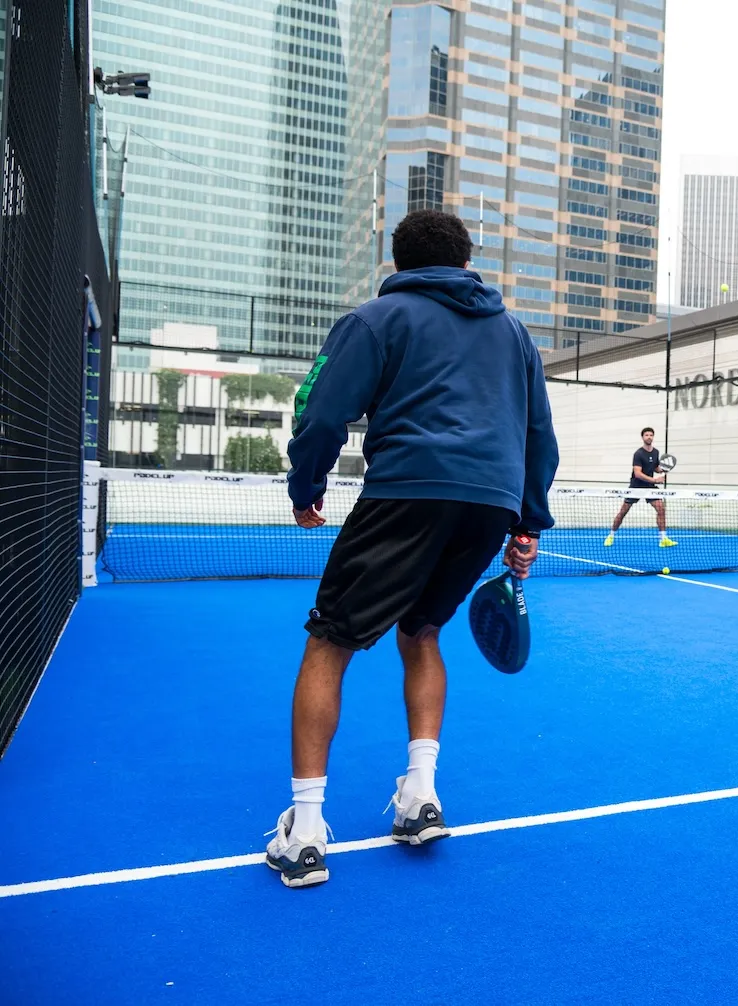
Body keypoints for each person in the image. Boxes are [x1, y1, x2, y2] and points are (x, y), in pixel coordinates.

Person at [264, 209, 560, 888]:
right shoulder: (515, 333)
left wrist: (305, 488)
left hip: (406, 493)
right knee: (422, 631)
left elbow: (320, 411)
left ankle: (304, 834)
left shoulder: (376, 319)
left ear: (398, 262)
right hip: (488, 504)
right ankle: (420, 795)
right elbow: (538, 436)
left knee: (329, 643)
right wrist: (527, 526)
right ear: (466, 261)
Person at [603, 426, 676, 548]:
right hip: (636, 487)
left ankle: (663, 539)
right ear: (642, 437)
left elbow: (655, 467)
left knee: (661, 508)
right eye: (646, 435)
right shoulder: (638, 454)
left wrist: (662, 470)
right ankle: (611, 535)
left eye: (651, 435)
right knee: (623, 512)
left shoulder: (656, 452)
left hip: (649, 487)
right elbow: (638, 473)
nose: (649, 437)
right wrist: (655, 480)